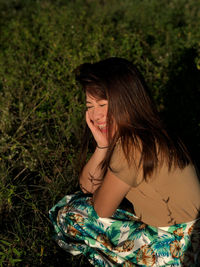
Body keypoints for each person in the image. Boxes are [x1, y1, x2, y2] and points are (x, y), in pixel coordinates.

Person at [49, 57, 200, 266]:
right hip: (191, 240)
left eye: (102, 104)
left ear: (125, 101)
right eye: (90, 105)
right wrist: (102, 147)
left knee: (68, 215)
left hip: (175, 250)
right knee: (77, 203)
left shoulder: (131, 146)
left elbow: (101, 211)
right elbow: (86, 187)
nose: (95, 115)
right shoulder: (149, 130)